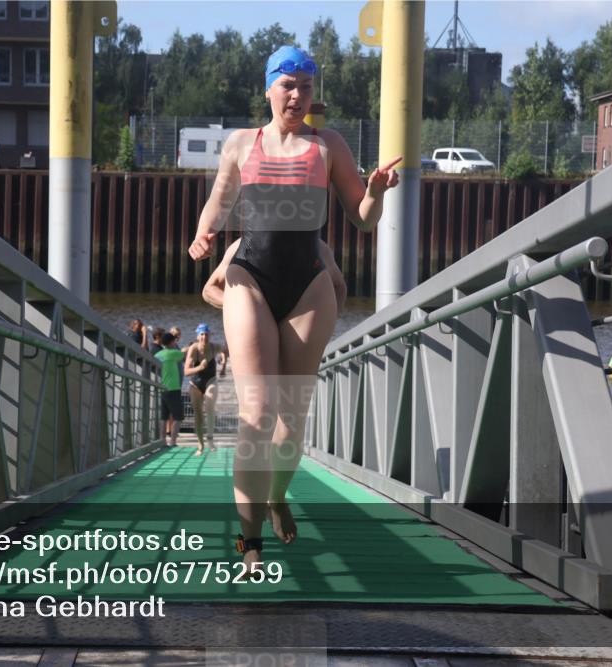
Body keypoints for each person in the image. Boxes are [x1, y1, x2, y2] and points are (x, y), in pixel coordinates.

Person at [187, 45, 400, 567]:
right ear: (268, 88)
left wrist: (375, 192)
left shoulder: (329, 146)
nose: (298, 96)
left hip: (308, 284)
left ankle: (278, 494)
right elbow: (220, 197)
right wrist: (203, 232)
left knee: (290, 420)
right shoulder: (242, 143)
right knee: (255, 415)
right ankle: (249, 542)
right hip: (249, 275)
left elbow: (363, 218)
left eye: (306, 87)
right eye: (288, 85)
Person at [203, 238, 347, 313]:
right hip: (254, 323)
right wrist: (242, 306)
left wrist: (327, 322)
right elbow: (209, 289)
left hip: (301, 321)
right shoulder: (240, 247)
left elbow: (339, 287)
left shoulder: (319, 248)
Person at [184, 323, 227, 455]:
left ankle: (210, 439)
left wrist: (224, 365)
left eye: (207, 334)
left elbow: (225, 350)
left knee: (209, 406)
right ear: (198, 336)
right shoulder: (193, 349)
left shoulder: (214, 347)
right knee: (198, 415)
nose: (204, 337)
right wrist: (199, 368)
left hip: (211, 380)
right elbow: (186, 371)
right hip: (195, 383)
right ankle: (200, 444)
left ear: (210, 335)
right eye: (202, 334)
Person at [155, 332, 184, 447]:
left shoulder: (158, 354)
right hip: (173, 388)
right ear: (172, 342)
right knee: (178, 416)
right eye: (174, 341)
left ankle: (163, 441)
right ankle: (173, 441)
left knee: (164, 416)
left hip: (162, 388)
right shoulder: (173, 354)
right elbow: (184, 354)